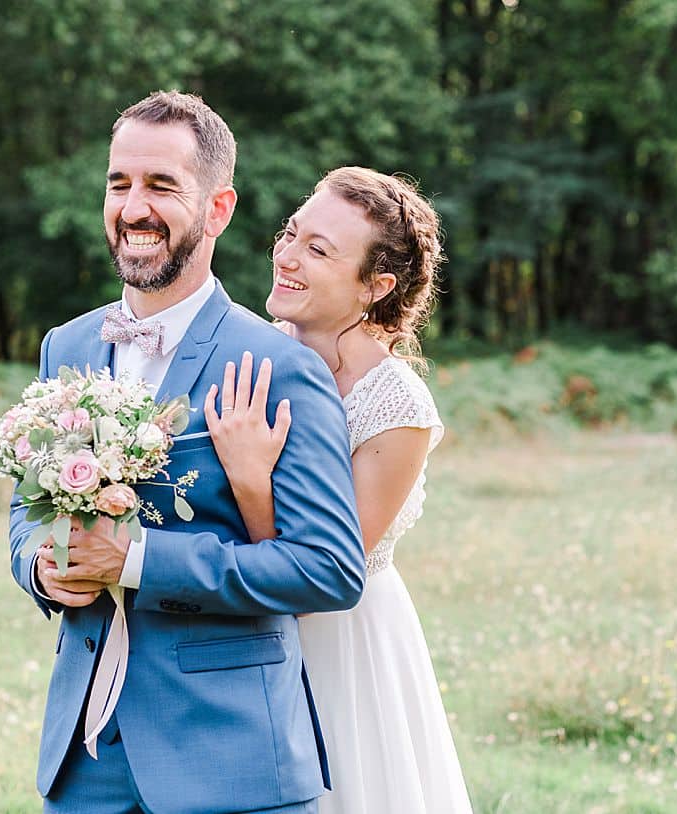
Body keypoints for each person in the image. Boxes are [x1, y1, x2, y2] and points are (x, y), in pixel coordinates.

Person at [7, 91, 366, 814]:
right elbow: (26, 506)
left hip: (230, 759)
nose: (134, 208)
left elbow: (329, 568)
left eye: (162, 186)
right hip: (86, 759)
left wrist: (135, 563)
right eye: (119, 184)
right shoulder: (66, 346)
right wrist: (40, 568)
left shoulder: (279, 366)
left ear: (218, 209)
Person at [203, 167, 474, 814]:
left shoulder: (394, 405)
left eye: (319, 250)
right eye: (291, 233)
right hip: (235, 635)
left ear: (376, 287)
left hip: (343, 647)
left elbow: (321, 573)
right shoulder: (247, 356)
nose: (287, 256)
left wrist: (250, 480)